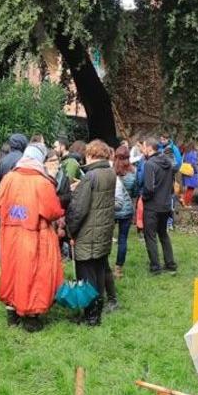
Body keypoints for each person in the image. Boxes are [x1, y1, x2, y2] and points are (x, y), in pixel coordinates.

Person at [0, 142, 64, 332]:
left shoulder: (9, 178)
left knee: (12, 270)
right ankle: (31, 318)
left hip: (10, 234)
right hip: (36, 235)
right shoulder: (42, 182)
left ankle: (12, 313)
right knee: (34, 274)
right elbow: (52, 211)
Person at [65, 140, 117, 326]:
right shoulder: (110, 173)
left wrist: (70, 230)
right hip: (102, 232)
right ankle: (98, 309)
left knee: (86, 276)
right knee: (99, 271)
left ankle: (91, 317)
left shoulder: (90, 177)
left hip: (88, 234)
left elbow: (78, 209)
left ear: (91, 155)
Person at [140, 137, 177, 275]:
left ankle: (155, 266)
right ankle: (170, 263)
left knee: (150, 236)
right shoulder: (167, 161)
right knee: (163, 234)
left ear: (149, 148)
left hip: (153, 206)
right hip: (166, 204)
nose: (143, 149)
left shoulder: (150, 164)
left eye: (143, 147)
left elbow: (149, 188)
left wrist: (144, 198)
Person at [111, 146, 137, 281]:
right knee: (122, 240)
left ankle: (103, 265)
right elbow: (135, 192)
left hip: (112, 209)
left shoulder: (111, 172)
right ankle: (118, 268)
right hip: (127, 211)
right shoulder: (133, 173)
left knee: (106, 237)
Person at [180, 142, 198, 207]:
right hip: (192, 172)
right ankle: (186, 203)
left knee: (188, 188)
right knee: (191, 189)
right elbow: (194, 163)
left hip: (186, 171)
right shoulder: (194, 153)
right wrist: (197, 171)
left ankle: (184, 199)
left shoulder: (186, 153)